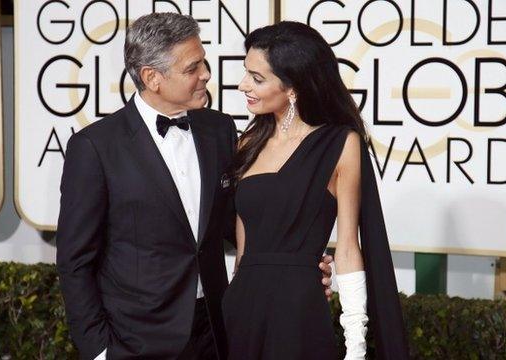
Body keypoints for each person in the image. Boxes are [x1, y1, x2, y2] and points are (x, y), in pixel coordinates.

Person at [56, 13, 332, 360]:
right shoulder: (96, 147)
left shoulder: (219, 130)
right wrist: (98, 350)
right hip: (135, 339)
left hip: (215, 332)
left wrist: (299, 264)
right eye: (192, 68)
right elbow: (75, 261)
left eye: (204, 63)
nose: (206, 75)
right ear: (151, 78)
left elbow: (241, 220)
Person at [222, 21, 409, 359]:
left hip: (297, 312)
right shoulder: (247, 143)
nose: (243, 85)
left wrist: (355, 346)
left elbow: (349, 249)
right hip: (241, 310)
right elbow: (244, 246)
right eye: (246, 73)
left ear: (293, 87)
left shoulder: (340, 144)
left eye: (257, 78)